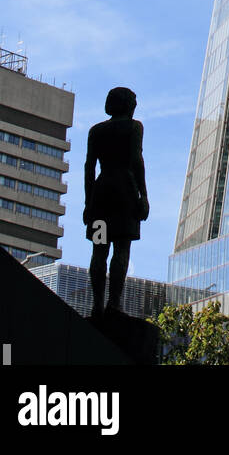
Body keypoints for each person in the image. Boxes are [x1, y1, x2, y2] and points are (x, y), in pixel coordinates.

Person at [83, 86, 149, 320]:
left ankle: (97, 305)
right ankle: (114, 303)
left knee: (99, 249)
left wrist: (88, 202)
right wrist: (144, 195)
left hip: (101, 195)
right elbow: (136, 160)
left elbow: (89, 167)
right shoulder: (134, 127)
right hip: (125, 192)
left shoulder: (96, 131)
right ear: (128, 104)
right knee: (121, 247)